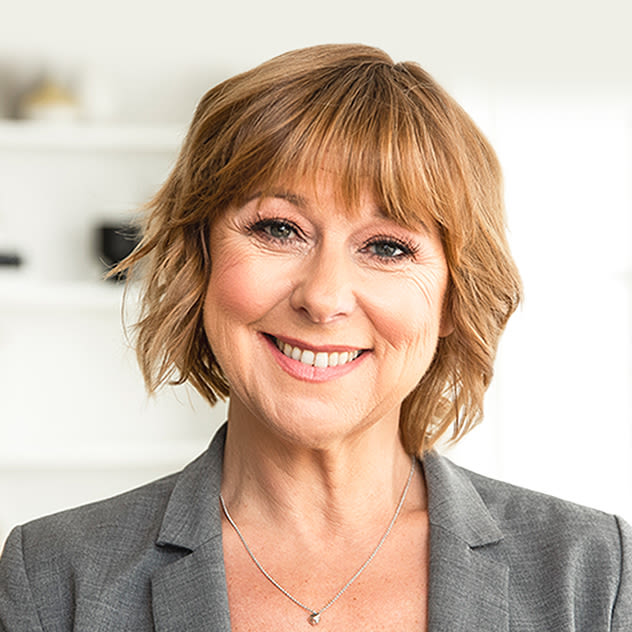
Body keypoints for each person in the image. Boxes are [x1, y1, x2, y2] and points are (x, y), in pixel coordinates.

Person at [0, 43, 630, 631]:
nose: (324, 297)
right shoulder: (54, 577)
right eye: (279, 230)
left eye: (387, 246)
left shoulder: (593, 574)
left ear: (451, 299)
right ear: (200, 262)